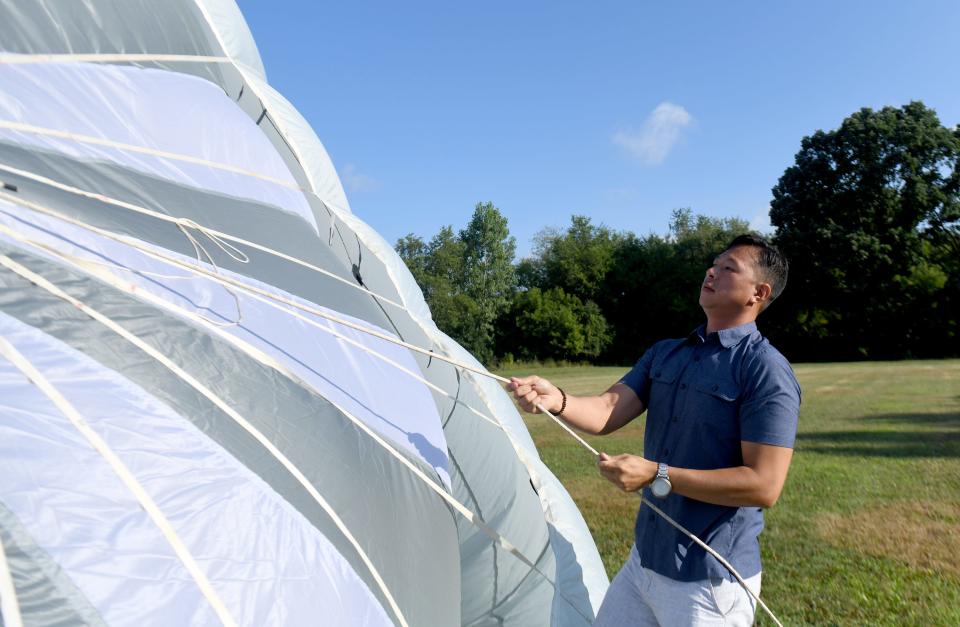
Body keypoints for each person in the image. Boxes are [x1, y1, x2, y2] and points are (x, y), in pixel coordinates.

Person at [510, 234, 800, 626]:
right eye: (713, 265)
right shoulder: (666, 352)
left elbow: (764, 485)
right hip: (643, 565)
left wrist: (657, 474)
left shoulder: (765, 370)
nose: (711, 272)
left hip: (710, 583)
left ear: (759, 292)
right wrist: (555, 399)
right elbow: (607, 410)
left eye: (728, 268)